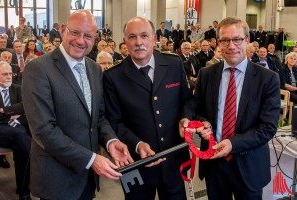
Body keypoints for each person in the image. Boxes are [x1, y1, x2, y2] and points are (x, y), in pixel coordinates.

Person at [21, 9, 133, 199]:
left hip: (87, 179)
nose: (81, 41)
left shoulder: (94, 69)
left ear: (95, 38)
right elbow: (43, 130)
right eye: (75, 32)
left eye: (88, 36)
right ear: (64, 29)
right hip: (56, 181)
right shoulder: (38, 69)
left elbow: (98, 117)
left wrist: (111, 141)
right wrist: (91, 159)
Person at [180, 16, 280, 200]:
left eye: (237, 39)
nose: (231, 45)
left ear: (247, 41)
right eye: (225, 40)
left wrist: (233, 144)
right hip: (214, 164)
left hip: (249, 164)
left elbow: (268, 127)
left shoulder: (268, 79)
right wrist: (200, 122)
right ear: (218, 43)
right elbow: (196, 105)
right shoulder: (207, 74)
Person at [103, 16, 191, 200]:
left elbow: (188, 101)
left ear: (154, 39)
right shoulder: (113, 76)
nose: (139, 42)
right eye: (132, 37)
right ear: (125, 41)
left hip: (173, 159)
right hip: (136, 163)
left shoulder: (173, 64)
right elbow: (114, 121)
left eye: (144, 36)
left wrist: (186, 117)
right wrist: (138, 144)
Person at [0, 61, 31, 200]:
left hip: (18, 129)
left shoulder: (18, 88)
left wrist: (4, 111)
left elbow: (26, 106)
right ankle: (25, 191)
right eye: (5, 74)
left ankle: (23, 191)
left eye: (11, 73)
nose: (9, 77)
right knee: (22, 136)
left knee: (21, 145)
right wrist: (13, 115)